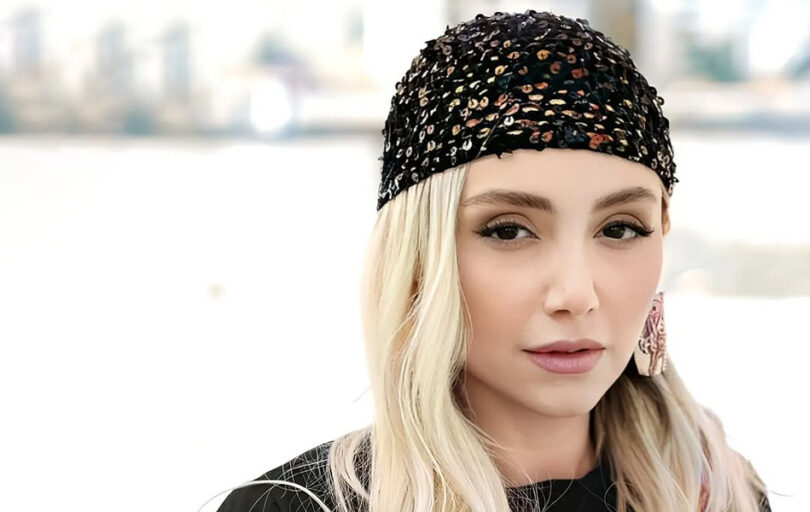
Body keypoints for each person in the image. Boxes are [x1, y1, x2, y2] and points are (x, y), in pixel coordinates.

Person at [211, 9, 771, 512]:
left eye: (620, 228)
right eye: (509, 231)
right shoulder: (292, 509)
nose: (576, 294)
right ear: (420, 256)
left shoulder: (722, 494)